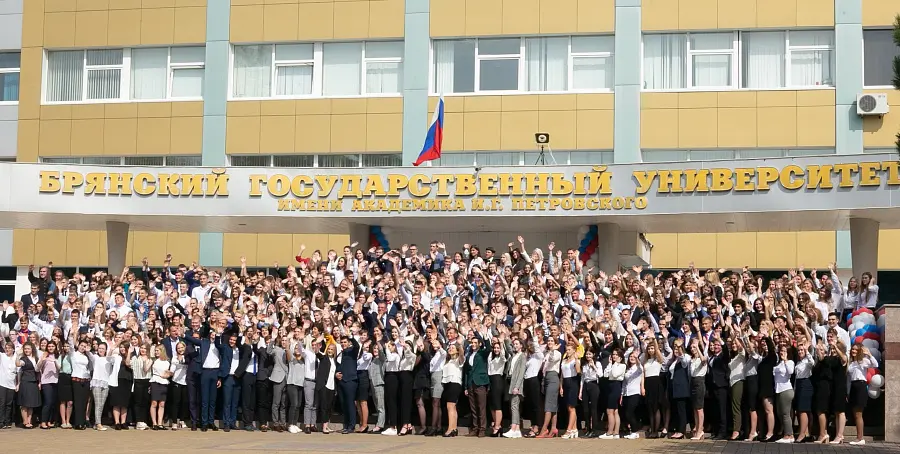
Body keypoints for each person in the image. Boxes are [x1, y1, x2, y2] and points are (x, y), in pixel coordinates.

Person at [847, 343, 878, 445]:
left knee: (859, 413)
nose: (854, 351)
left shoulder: (863, 361)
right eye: (853, 349)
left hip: (861, 386)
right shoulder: (851, 363)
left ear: (859, 351)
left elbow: (875, 364)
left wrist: (869, 354)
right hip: (853, 386)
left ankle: (860, 438)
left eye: (856, 350)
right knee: (855, 413)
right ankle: (859, 437)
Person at [149, 346, 172, 430]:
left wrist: (167, 375)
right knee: (154, 403)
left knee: (162, 403)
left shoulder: (167, 361)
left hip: (164, 382)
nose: (156, 352)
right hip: (155, 381)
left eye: (157, 350)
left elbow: (170, 372)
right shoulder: (154, 360)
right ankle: (154, 423)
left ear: (162, 351)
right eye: (155, 351)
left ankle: (160, 423)